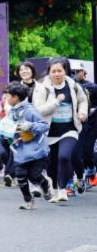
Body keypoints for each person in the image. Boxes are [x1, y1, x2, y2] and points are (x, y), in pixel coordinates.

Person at [0, 82, 55, 208]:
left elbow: (45, 125)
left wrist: (30, 125)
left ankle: (45, 184)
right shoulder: (11, 112)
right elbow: (3, 129)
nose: (5, 99)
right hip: (19, 151)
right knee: (20, 177)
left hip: (36, 151)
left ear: (15, 98)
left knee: (34, 176)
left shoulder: (29, 110)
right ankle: (29, 201)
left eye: (7, 96)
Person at [32, 56, 89, 203]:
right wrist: (56, 102)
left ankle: (63, 188)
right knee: (51, 163)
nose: (57, 74)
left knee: (64, 157)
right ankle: (54, 189)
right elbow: (38, 110)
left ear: (65, 71)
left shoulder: (74, 86)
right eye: (53, 71)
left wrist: (82, 113)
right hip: (49, 131)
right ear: (49, 72)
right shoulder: (43, 88)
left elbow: (83, 101)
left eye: (60, 71)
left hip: (69, 129)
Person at [73, 64, 97, 187]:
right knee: (77, 153)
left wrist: (92, 110)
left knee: (87, 152)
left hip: (91, 124)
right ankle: (81, 178)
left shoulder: (93, 87)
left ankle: (91, 169)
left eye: (77, 71)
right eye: (73, 72)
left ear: (83, 72)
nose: (75, 74)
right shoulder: (70, 86)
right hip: (75, 124)